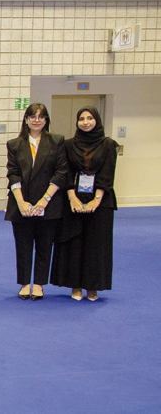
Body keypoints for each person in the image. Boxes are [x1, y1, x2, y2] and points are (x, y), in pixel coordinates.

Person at [51, 106, 119, 302]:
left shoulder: (108, 145)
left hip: (101, 201)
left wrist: (96, 200)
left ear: (96, 120)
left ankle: (93, 286)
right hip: (73, 199)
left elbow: (107, 174)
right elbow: (66, 172)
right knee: (74, 243)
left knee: (96, 245)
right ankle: (75, 285)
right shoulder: (68, 145)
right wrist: (72, 196)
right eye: (82, 118)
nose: (86, 122)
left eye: (90, 118)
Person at [5, 104, 67, 300]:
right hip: (21, 203)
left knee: (44, 245)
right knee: (22, 246)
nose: (37, 120)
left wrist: (44, 200)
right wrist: (22, 202)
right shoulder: (14, 144)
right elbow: (13, 174)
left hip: (47, 203)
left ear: (46, 120)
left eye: (41, 116)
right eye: (32, 116)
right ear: (26, 119)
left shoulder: (57, 141)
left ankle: (39, 284)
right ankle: (24, 283)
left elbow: (61, 172)